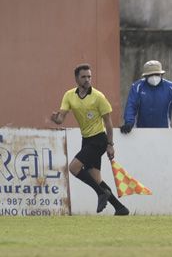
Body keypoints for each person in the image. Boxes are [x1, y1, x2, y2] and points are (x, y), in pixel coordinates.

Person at [50, 63, 129, 215]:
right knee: (96, 178)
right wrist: (56, 119)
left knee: (74, 168)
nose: (87, 79)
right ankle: (120, 208)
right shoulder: (69, 95)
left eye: (89, 77)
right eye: (83, 77)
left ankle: (100, 194)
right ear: (76, 79)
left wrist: (110, 144)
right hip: (86, 139)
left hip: (99, 140)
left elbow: (108, 123)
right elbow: (61, 118)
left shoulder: (98, 97)